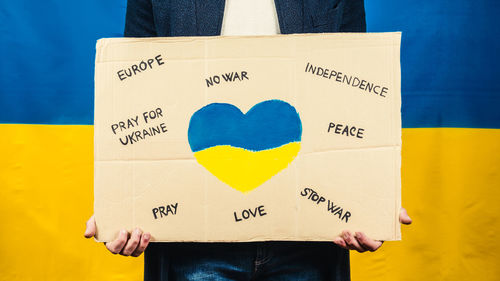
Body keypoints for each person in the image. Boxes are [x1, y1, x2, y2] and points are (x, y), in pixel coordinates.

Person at [85, 0, 412, 280]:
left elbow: (352, 92)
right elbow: (140, 91)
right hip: (194, 246)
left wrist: (371, 202)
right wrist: (122, 208)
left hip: (308, 239)